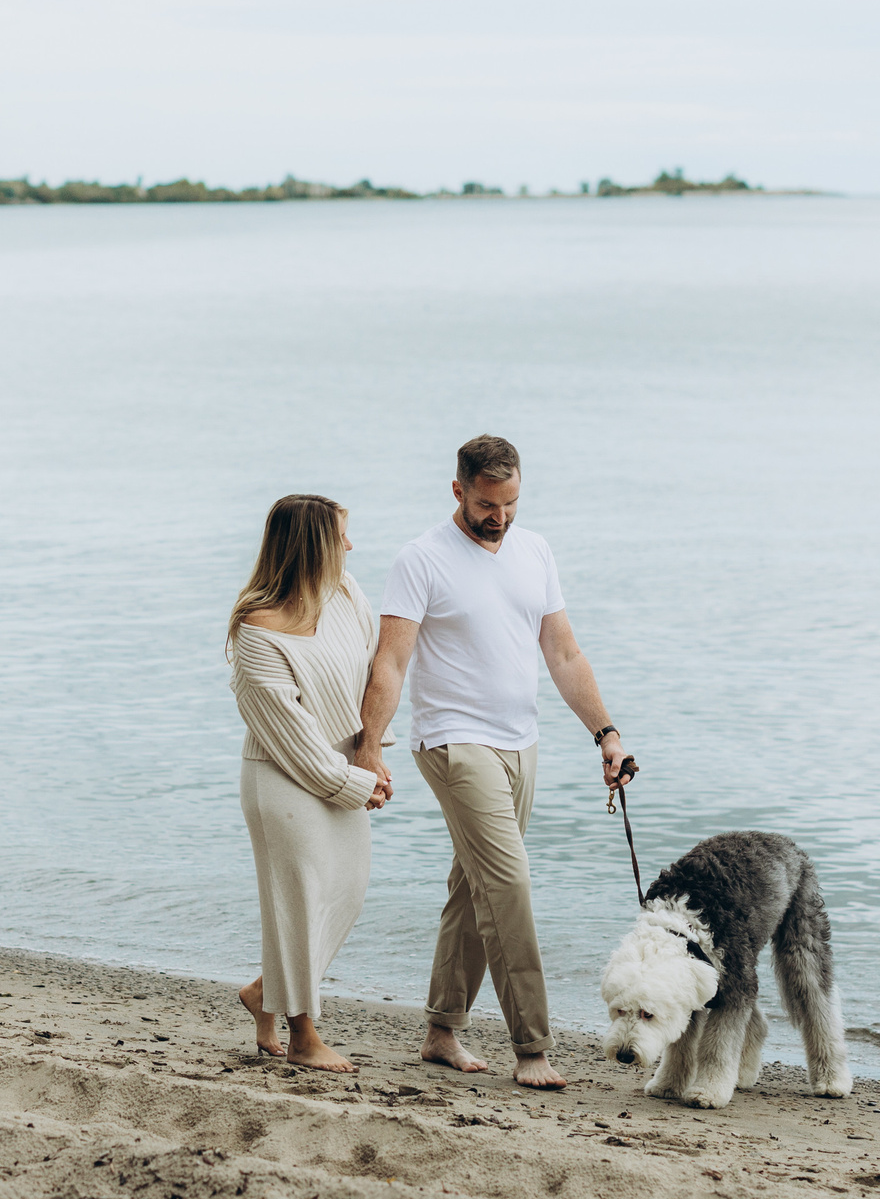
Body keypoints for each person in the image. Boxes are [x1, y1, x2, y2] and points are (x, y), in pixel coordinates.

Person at [357, 434, 634, 1089]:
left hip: (521, 743)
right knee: (508, 884)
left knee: (473, 884)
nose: (499, 517)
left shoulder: (534, 550)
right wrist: (369, 743)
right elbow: (390, 660)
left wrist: (607, 734)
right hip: (452, 740)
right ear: (458, 490)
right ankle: (532, 1044)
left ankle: (441, 1028)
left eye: (510, 502)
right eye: (486, 503)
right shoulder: (421, 559)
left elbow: (563, 654)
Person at [230, 493, 394, 1073]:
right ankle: (302, 1036)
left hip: (343, 770)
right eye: (341, 535)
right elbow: (293, 738)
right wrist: (353, 783)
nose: (350, 545)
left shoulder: (347, 595)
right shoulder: (257, 630)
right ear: (312, 544)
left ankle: (263, 992)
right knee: (297, 902)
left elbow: (373, 674)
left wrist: (372, 752)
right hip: (282, 780)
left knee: (344, 896)